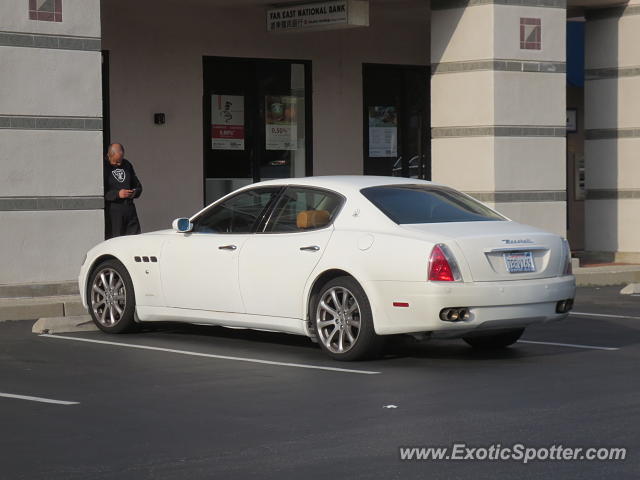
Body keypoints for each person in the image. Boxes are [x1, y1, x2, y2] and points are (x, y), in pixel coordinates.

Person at [103, 143, 143, 239]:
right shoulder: (104, 166)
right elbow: (100, 193)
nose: (119, 164)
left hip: (129, 208)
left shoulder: (127, 165)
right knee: (116, 240)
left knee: (135, 238)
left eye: (121, 160)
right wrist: (118, 194)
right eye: (116, 161)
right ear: (109, 155)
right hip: (114, 211)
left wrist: (134, 193)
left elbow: (138, 186)